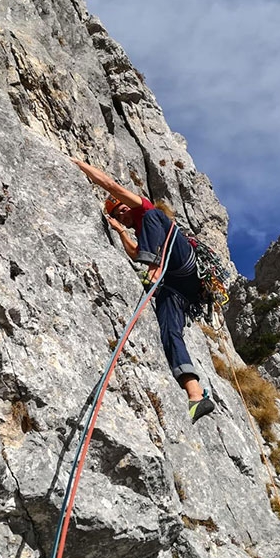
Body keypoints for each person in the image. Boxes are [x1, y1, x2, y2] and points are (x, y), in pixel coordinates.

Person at [71, 157, 215, 424]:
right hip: (177, 288)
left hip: (185, 264)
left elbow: (111, 185)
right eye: (118, 215)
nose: (123, 216)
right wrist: (121, 233)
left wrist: (78, 164)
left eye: (122, 211)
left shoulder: (147, 213)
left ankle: (153, 270)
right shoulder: (138, 230)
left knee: (153, 215)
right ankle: (196, 395)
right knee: (169, 330)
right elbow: (137, 252)